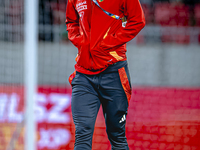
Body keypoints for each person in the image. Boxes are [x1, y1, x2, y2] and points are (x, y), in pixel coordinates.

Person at [66, 0, 145, 149]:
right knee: (82, 134)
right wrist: (81, 42)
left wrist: (109, 42)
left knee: (117, 135)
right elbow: (71, 21)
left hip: (114, 74)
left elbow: (138, 21)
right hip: (84, 76)